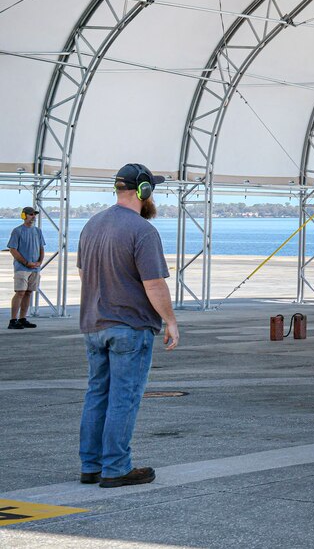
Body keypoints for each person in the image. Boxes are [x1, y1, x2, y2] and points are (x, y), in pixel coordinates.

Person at [76, 163, 180, 488]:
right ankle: (116, 467)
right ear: (143, 191)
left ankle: (91, 465)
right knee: (124, 397)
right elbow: (154, 285)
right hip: (129, 328)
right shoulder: (142, 231)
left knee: (97, 395)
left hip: (94, 326)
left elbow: (83, 275)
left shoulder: (91, 225)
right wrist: (171, 321)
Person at [8, 206, 44, 329]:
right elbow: (13, 249)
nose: (33, 216)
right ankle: (13, 320)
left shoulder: (38, 231)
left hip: (35, 268)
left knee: (28, 293)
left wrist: (39, 262)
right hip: (22, 268)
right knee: (20, 292)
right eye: (31, 214)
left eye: (34, 214)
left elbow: (41, 248)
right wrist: (25, 262)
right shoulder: (17, 231)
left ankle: (23, 318)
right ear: (24, 216)